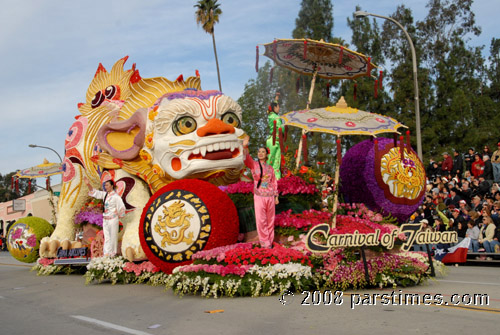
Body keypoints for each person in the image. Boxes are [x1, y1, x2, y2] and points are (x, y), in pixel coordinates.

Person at [243, 136, 279, 248]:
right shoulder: (253, 164)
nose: (260, 153)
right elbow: (246, 157)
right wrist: (245, 145)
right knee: (261, 220)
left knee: (270, 220)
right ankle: (265, 242)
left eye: (263, 152)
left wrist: (276, 197)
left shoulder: (270, 168)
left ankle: (270, 240)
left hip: (270, 196)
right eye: (259, 152)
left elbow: (274, 182)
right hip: (259, 196)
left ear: (266, 155)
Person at [84, 177, 125, 257]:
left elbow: (121, 208)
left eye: (107, 185)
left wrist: (119, 216)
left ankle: (113, 254)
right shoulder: (105, 195)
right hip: (105, 219)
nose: (105, 187)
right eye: (105, 185)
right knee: (107, 237)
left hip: (113, 219)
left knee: (113, 237)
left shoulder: (116, 197)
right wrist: (88, 184)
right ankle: (106, 254)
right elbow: (94, 192)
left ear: (112, 186)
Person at [265, 95, 283, 180]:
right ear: (274, 108)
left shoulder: (274, 115)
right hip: (273, 140)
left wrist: (276, 100)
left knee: (277, 161)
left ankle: (277, 180)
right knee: (270, 160)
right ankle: (266, 181)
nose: (279, 109)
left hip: (278, 140)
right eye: (278, 107)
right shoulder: (273, 116)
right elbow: (280, 128)